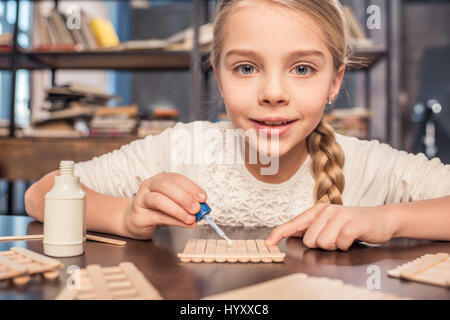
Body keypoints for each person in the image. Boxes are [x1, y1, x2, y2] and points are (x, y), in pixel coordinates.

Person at [25, 0, 450, 251]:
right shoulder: (179, 148)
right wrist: (127, 216)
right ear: (219, 76)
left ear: (335, 81)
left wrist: (388, 219)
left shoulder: (368, 165)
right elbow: (39, 195)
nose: (272, 92)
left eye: (302, 68)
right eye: (246, 67)